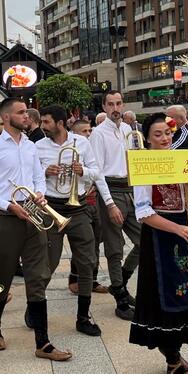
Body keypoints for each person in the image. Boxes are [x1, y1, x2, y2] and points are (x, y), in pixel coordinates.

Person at [0, 97, 72, 361]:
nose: (26, 117)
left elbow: (38, 176)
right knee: (2, 275)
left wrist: (40, 193)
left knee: (37, 276)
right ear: (6, 117)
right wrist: (8, 206)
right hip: (6, 217)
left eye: (26, 113)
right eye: (20, 113)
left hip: (33, 214)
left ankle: (43, 342)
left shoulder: (30, 147)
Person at [129, 113, 188, 374]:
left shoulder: (180, 159)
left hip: (185, 233)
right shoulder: (144, 165)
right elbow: (143, 212)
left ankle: (178, 348)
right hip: (161, 238)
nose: (165, 138)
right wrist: (178, 229)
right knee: (165, 298)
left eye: (167, 133)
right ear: (148, 138)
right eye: (158, 134)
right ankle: (172, 357)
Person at [36, 106, 103, 336]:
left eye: (46, 122)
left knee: (87, 261)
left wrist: (81, 169)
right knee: (48, 263)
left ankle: (83, 317)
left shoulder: (82, 143)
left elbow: (96, 171)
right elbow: (31, 175)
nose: (43, 126)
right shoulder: (39, 146)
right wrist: (45, 171)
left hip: (78, 207)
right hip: (51, 207)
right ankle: (34, 306)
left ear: (61, 123)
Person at [89, 90, 142, 319]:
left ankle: (120, 281)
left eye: (118, 103)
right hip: (110, 189)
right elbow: (97, 172)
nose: (115, 108)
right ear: (104, 107)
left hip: (130, 188)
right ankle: (121, 300)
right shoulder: (98, 134)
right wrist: (109, 204)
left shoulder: (129, 130)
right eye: (110, 104)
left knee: (144, 239)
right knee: (114, 247)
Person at [65, 118, 110, 296]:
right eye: (85, 132)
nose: (89, 134)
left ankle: (92, 279)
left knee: (95, 243)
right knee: (81, 245)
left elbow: (99, 174)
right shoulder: (72, 151)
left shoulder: (94, 149)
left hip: (95, 202)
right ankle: (75, 278)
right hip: (79, 204)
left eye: (90, 131)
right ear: (75, 135)